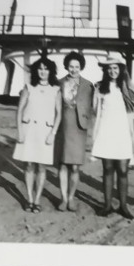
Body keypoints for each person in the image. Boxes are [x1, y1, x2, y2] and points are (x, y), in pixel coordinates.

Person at [90, 59, 134, 219]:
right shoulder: (99, 87)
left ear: (121, 69)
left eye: (115, 68)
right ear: (105, 70)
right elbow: (95, 109)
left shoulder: (127, 87)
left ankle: (123, 206)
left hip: (122, 132)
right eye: (109, 68)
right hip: (106, 131)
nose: (112, 71)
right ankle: (107, 205)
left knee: (123, 171)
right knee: (108, 169)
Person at [12, 56, 59, 213]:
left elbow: (59, 114)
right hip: (29, 130)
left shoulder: (56, 89)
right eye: (40, 68)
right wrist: (20, 131)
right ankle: (29, 199)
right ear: (35, 70)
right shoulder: (28, 87)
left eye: (46, 69)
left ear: (51, 71)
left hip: (45, 132)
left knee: (42, 166)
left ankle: (37, 199)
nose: (43, 72)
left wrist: (53, 133)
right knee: (29, 165)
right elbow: (19, 110)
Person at [54, 52, 93, 211]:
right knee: (63, 165)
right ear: (66, 66)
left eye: (77, 66)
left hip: (79, 128)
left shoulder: (88, 85)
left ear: (81, 67)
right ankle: (63, 198)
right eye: (71, 66)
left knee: (75, 166)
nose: (74, 69)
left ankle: (71, 197)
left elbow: (94, 105)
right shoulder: (58, 83)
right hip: (63, 126)